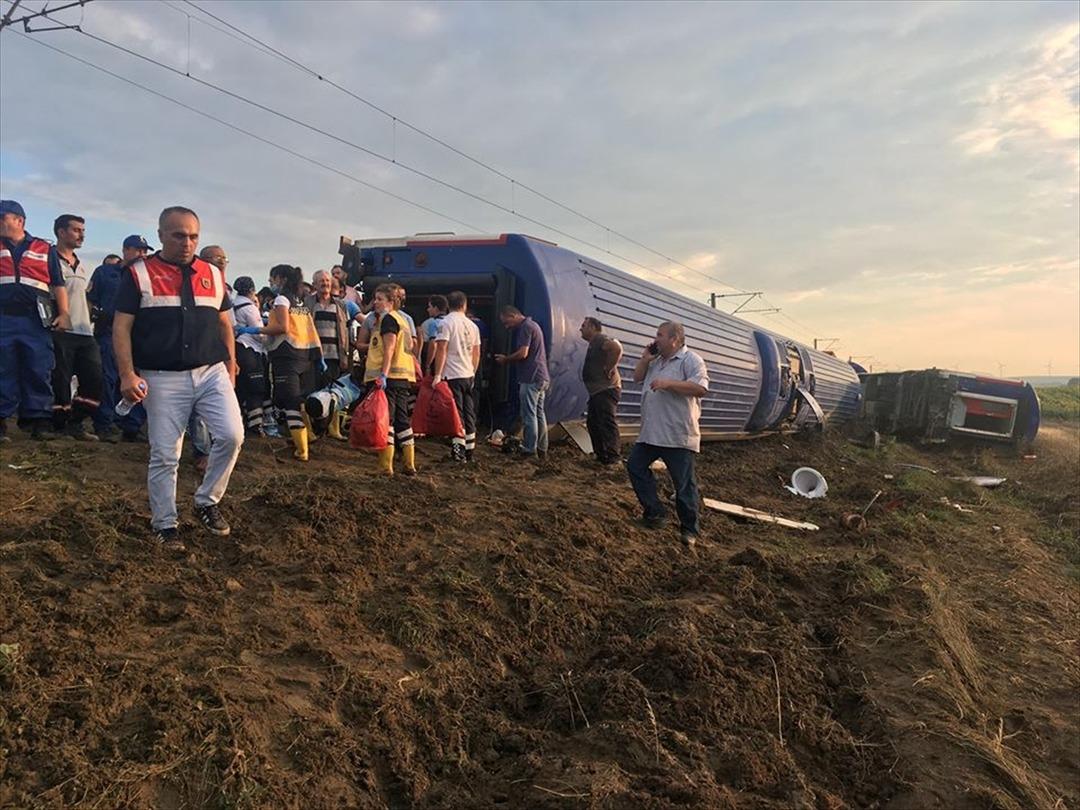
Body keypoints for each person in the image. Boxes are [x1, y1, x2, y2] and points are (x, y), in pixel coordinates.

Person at [112, 206, 244, 548]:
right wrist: (127, 373)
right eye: (179, 235)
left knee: (232, 436)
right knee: (166, 453)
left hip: (212, 370)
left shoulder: (213, 274)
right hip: (162, 376)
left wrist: (230, 365)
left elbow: (224, 323)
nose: (187, 243)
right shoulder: (138, 274)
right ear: (160, 235)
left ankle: (206, 501)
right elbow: (121, 327)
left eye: (194, 236)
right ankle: (165, 524)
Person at [626, 321, 709, 548]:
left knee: (683, 484)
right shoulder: (656, 361)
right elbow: (636, 377)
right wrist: (645, 359)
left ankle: (689, 530)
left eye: (660, 335)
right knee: (635, 465)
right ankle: (655, 512)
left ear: (675, 339)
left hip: (677, 434)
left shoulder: (691, 360)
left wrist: (669, 383)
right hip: (651, 432)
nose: (655, 339)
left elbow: (701, 389)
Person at [0, 199, 70, 442]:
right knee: (3, 369)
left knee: (38, 368)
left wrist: (63, 313)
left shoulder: (43, 248)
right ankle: (1, 421)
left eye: (2, 217)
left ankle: (38, 420)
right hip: (3, 318)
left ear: (19, 221)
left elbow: (58, 285)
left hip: (35, 321)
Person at [238, 264, 322, 461]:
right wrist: (318, 356)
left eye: (272, 279)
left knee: (289, 401)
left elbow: (282, 327)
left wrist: (255, 330)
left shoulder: (282, 300)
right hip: (304, 356)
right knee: (298, 399)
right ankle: (304, 439)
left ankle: (301, 451)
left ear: (281, 279)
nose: (270, 283)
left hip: (287, 356)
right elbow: (310, 330)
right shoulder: (299, 301)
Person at [88, 234, 151, 442]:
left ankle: (131, 426)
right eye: (138, 250)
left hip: (137, 337)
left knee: (137, 381)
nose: (142, 254)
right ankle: (104, 423)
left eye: (145, 251)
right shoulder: (105, 273)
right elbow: (90, 300)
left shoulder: (146, 276)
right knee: (108, 379)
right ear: (125, 250)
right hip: (108, 333)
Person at [49, 215, 104, 441]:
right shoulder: (49, 260)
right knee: (60, 379)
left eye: (83, 230)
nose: (81, 234)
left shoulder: (81, 265)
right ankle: (59, 425)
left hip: (84, 331)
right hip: (61, 331)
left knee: (94, 378)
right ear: (61, 232)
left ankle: (78, 420)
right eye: (76, 230)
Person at [364, 283, 417, 476]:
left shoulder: (388, 320)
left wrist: (383, 375)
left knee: (388, 420)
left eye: (379, 299)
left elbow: (389, 348)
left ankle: (386, 466)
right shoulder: (402, 320)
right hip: (403, 377)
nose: (375, 303)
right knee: (403, 419)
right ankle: (409, 464)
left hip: (390, 377)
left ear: (390, 302)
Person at [495, 305, 549, 458]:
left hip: (530, 377)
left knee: (529, 414)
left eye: (507, 322)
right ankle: (542, 449)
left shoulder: (525, 327)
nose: (507, 327)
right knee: (539, 414)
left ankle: (529, 449)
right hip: (541, 376)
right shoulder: (534, 325)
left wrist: (506, 359)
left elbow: (523, 353)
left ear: (513, 315)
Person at [432, 291, 481, 462]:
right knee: (469, 413)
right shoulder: (473, 325)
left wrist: (437, 374)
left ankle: (458, 451)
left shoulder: (446, 323)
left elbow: (441, 349)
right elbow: (476, 352)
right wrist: (473, 372)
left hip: (452, 374)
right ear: (464, 305)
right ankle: (470, 451)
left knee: (456, 414)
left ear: (448, 305)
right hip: (468, 373)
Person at [579, 317, 623, 465]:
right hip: (597, 391)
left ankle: (613, 458)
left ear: (592, 327)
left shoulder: (600, 339)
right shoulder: (594, 343)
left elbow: (616, 348)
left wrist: (609, 367)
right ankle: (601, 456)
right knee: (593, 423)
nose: (581, 329)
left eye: (583, 326)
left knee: (606, 422)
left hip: (606, 389)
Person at [230, 276, 270, 436]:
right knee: (256, 387)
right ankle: (255, 425)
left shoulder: (232, 305)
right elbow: (259, 333)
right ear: (252, 290)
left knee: (240, 388)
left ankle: (238, 421)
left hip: (236, 349)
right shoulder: (250, 307)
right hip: (250, 350)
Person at [305, 269, 352, 387]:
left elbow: (346, 332)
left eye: (327, 280)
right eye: (321, 281)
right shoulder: (307, 303)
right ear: (314, 285)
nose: (325, 283)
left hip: (334, 357)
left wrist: (345, 357)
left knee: (331, 393)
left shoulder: (340, 305)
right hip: (314, 357)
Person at [419, 294, 448, 376]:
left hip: (436, 362)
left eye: (430, 307)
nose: (428, 310)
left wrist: (428, 365)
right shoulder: (451, 322)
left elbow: (433, 344)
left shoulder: (433, 323)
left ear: (435, 308)